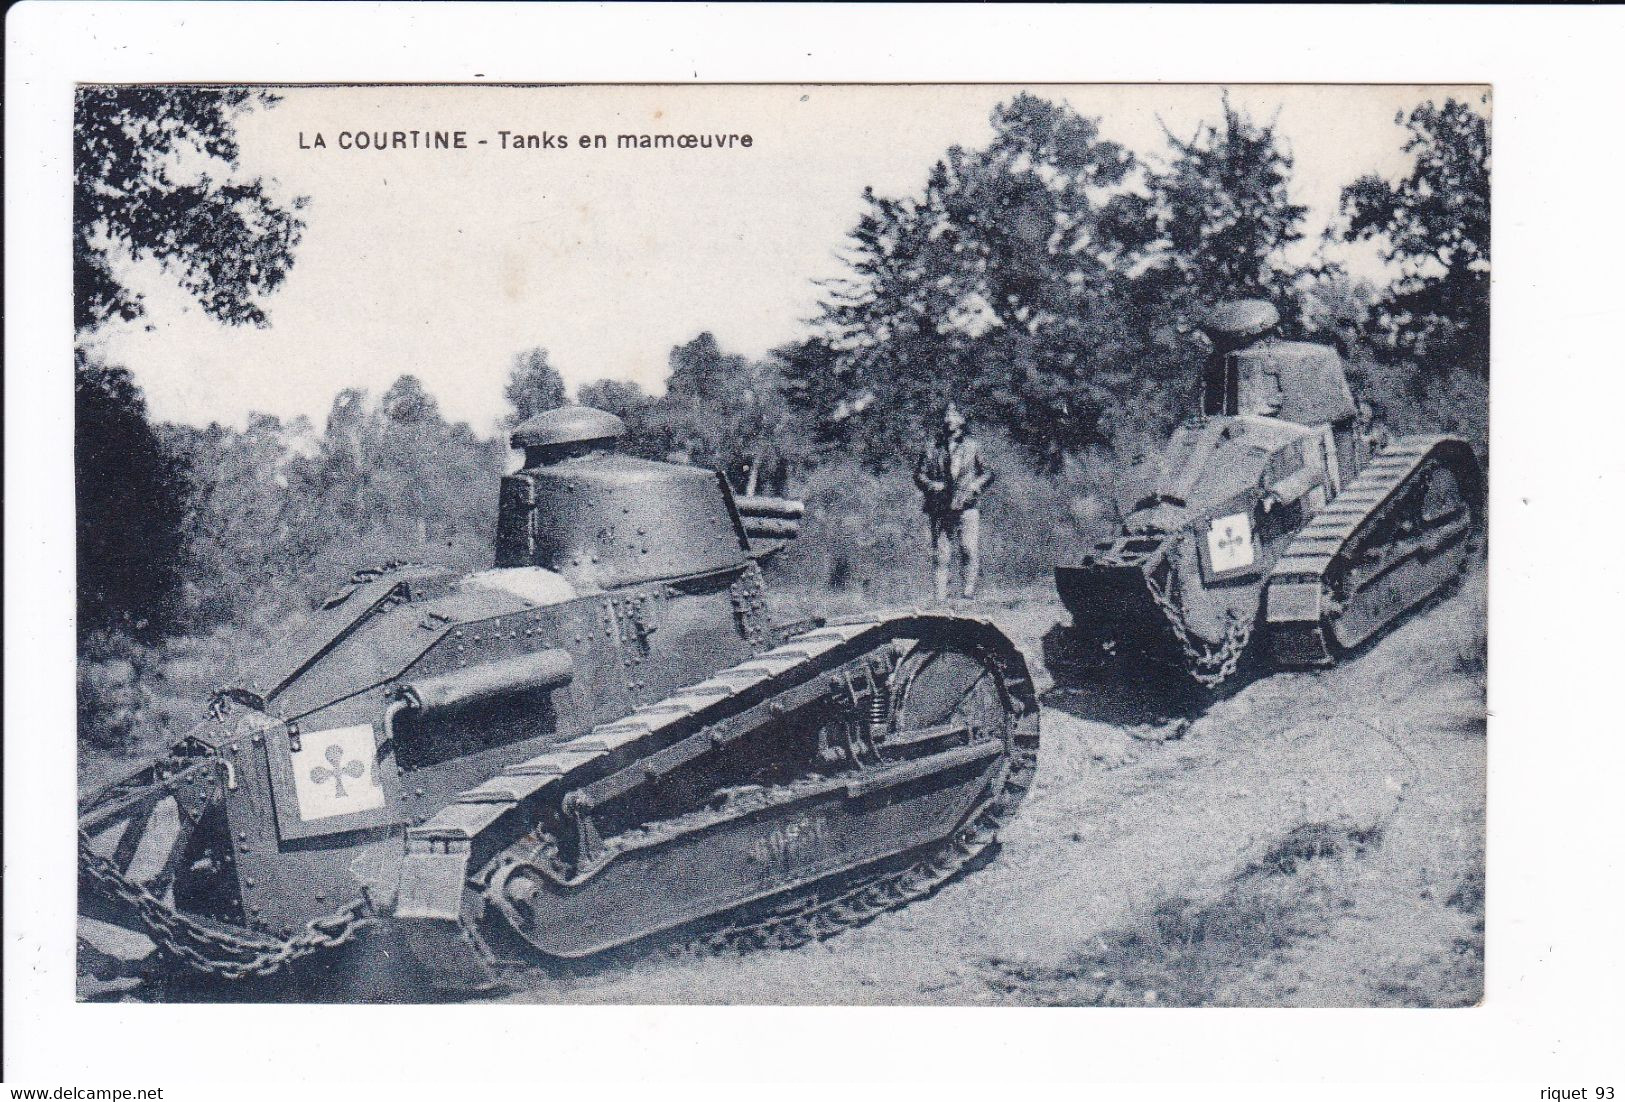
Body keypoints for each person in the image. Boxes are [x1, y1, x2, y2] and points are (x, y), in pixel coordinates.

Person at [913, 402, 995, 602]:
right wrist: (933, 486)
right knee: (941, 554)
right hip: (940, 507)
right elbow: (919, 475)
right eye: (946, 415)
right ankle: (940, 598)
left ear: (963, 420)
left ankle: (968, 594)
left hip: (967, 505)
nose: (949, 420)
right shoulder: (933, 447)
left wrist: (975, 486)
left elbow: (988, 472)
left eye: (954, 415)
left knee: (969, 549)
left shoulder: (973, 445)